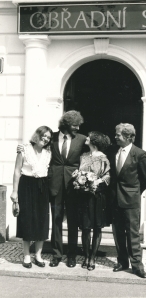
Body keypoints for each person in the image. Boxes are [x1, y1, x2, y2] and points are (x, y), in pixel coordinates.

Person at [108, 123, 146, 278]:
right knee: (118, 233)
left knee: (133, 234)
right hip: (115, 200)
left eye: (118, 134)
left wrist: (135, 192)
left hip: (131, 201)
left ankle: (137, 266)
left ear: (128, 137)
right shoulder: (114, 151)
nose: (115, 137)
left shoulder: (139, 154)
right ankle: (122, 262)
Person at [10, 126, 53, 269]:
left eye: (48, 137)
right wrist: (15, 192)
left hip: (42, 187)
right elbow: (17, 171)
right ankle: (27, 256)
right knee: (27, 220)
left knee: (41, 221)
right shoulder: (24, 150)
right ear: (38, 135)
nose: (46, 139)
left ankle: (38, 255)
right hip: (26, 186)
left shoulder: (48, 153)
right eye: (44, 135)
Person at [48, 110, 86, 268]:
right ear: (65, 124)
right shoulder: (52, 138)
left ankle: (71, 255)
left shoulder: (83, 140)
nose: (77, 127)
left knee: (72, 220)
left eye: (78, 124)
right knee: (56, 219)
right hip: (55, 183)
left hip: (73, 185)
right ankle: (56, 254)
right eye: (73, 125)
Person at [75, 131, 111, 271]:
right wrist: (78, 177)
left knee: (96, 227)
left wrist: (97, 182)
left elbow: (108, 176)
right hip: (84, 197)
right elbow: (79, 171)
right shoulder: (83, 156)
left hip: (97, 197)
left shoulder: (103, 158)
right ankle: (86, 255)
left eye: (89, 137)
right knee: (85, 228)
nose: (87, 138)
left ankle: (93, 257)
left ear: (94, 141)